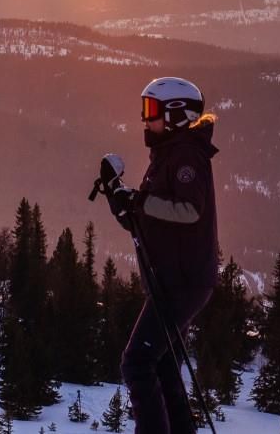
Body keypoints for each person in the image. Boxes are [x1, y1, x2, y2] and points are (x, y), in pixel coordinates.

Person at [106, 77, 220, 434]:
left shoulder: (187, 155)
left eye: (151, 109)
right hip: (174, 280)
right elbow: (149, 219)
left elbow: (189, 209)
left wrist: (139, 201)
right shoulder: (169, 153)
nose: (145, 117)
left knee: (137, 363)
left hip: (183, 281)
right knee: (163, 365)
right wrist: (117, 196)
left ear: (175, 113)